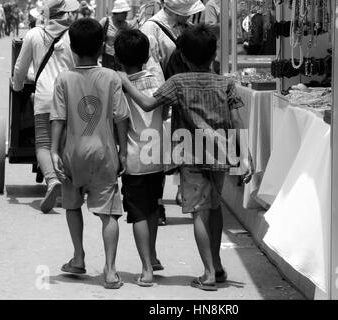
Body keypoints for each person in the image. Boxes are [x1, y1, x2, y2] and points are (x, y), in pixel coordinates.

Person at [118, 24, 253, 291]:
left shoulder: (177, 82)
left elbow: (146, 104)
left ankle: (208, 274)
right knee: (214, 208)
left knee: (199, 214)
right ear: (213, 54)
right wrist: (245, 156)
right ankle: (216, 264)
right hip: (221, 154)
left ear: (184, 58)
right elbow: (237, 120)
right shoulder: (226, 83)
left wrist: (124, 82)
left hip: (192, 154)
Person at [50, 17, 130, 289]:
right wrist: (123, 152)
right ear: (101, 48)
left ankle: (78, 256)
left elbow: (58, 118)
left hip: (72, 155)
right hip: (104, 153)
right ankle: (110, 271)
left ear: (71, 48)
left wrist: (53, 151)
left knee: (72, 206)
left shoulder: (63, 79)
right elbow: (120, 117)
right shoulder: (111, 77)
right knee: (109, 214)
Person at [140, 0, 205, 226]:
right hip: (165, 99)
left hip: (185, 98)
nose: (190, 17)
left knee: (184, 147)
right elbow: (151, 68)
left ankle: (184, 192)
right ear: (172, 10)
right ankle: (157, 204)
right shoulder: (151, 28)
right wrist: (166, 99)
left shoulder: (185, 28)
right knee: (158, 153)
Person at [12, 0, 80, 213]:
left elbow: (20, 68)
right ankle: (67, 191)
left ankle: (51, 180)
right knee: (66, 143)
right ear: (67, 13)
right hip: (70, 94)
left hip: (43, 96)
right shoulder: (75, 35)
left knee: (43, 142)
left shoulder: (34, 35)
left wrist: (17, 86)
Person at [114, 29, 166, 287]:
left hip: (134, 159)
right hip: (156, 156)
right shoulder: (157, 78)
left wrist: (121, 152)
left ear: (117, 58)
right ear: (146, 57)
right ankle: (153, 256)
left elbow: (121, 121)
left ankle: (146, 268)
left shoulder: (119, 85)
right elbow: (162, 110)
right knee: (153, 208)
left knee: (138, 214)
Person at [99, 0, 131, 71]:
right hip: (107, 58)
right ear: (117, 13)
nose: (126, 15)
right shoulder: (105, 22)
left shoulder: (127, 26)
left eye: (126, 13)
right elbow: (96, 35)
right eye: (124, 13)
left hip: (121, 60)